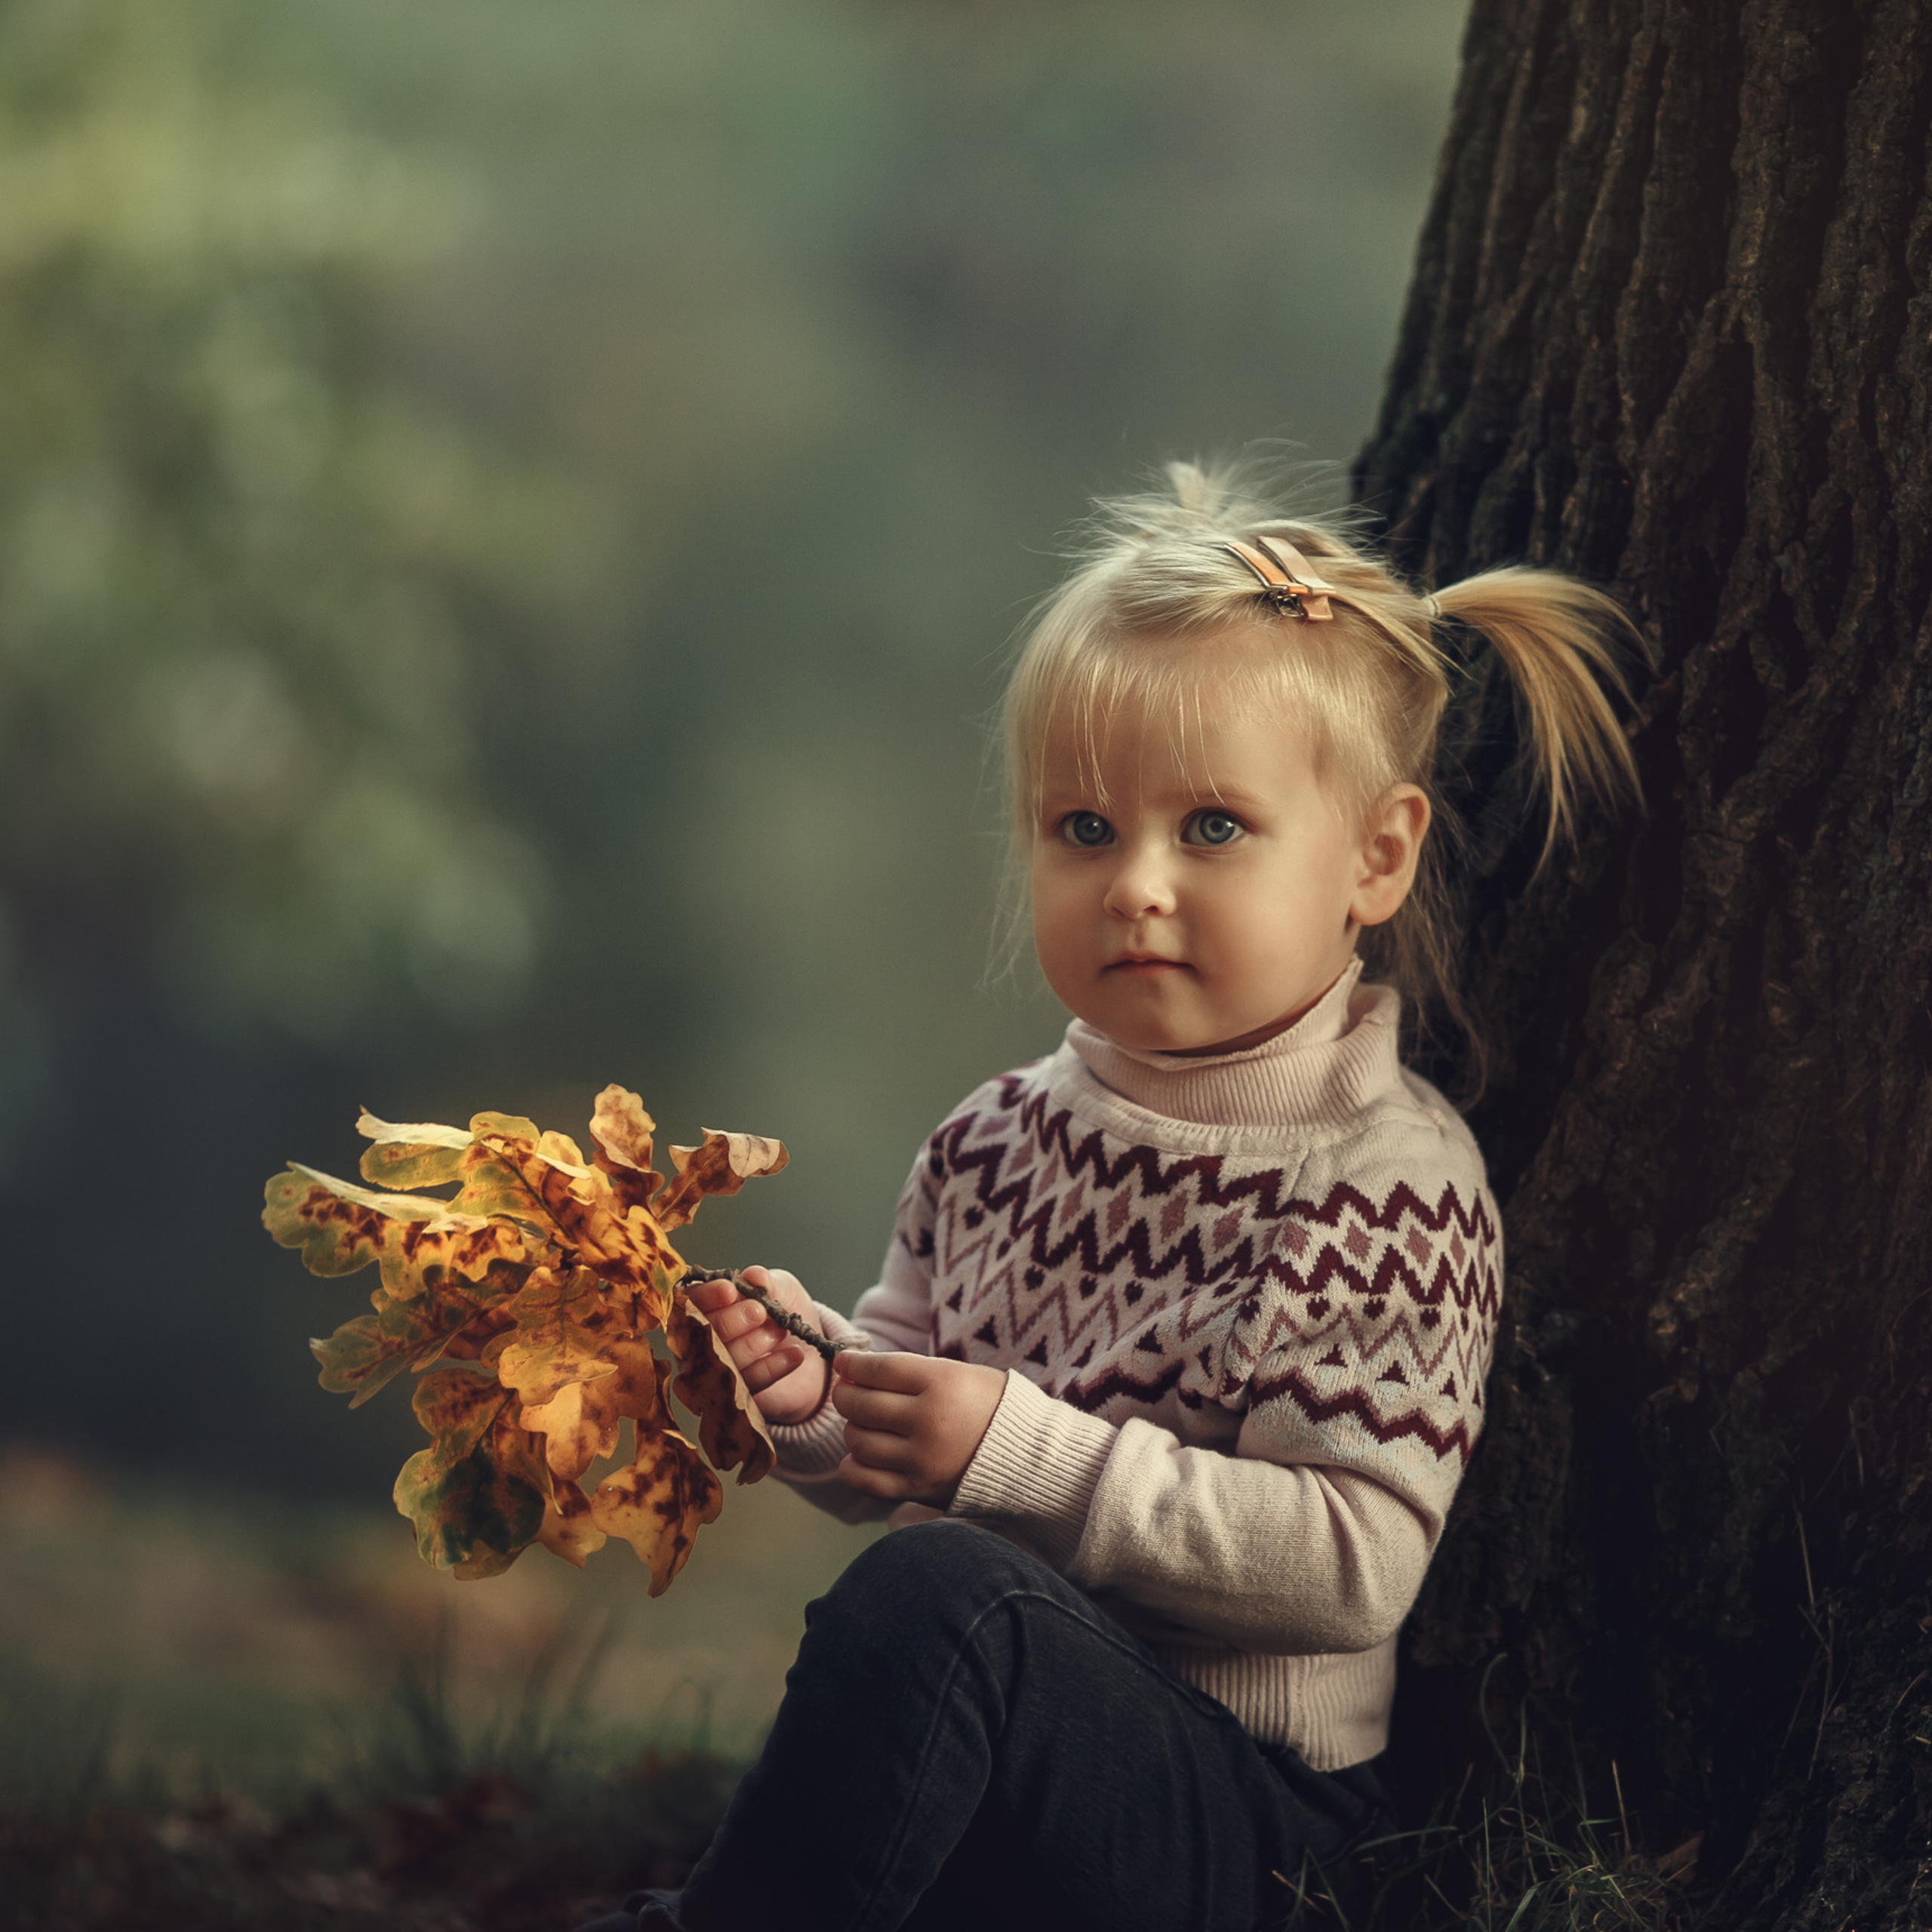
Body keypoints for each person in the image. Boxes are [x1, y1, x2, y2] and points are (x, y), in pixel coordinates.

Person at [579, 463, 1647, 1932]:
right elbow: (893, 1451)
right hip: (1016, 1756)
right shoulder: (990, 1141)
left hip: (1250, 1815)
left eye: (1210, 828)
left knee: (940, 1598)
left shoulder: (1382, 1182)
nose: (1136, 883)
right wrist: (808, 1391)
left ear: (1375, 856)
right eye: (1083, 829)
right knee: (936, 1602)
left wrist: (1014, 1453)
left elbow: (1350, 1566)